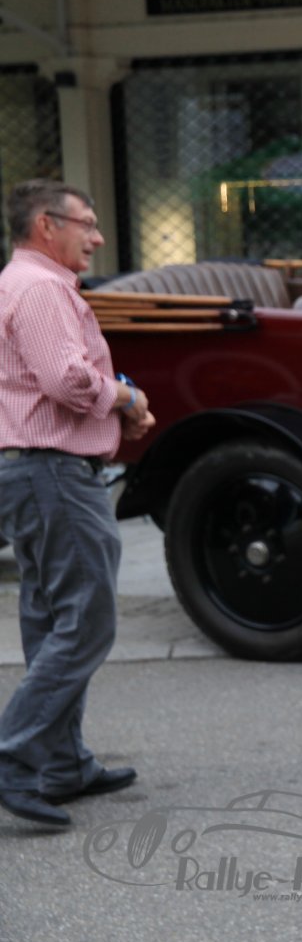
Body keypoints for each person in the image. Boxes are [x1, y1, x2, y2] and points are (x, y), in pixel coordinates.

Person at [0, 180, 154, 829]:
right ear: (46, 225)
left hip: (35, 470)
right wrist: (127, 397)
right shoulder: (41, 288)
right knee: (87, 620)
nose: (97, 236)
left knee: (51, 617)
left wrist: (117, 398)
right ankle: (14, 757)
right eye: (85, 223)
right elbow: (66, 380)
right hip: (54, 471)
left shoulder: (22, 283)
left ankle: (62, 763)